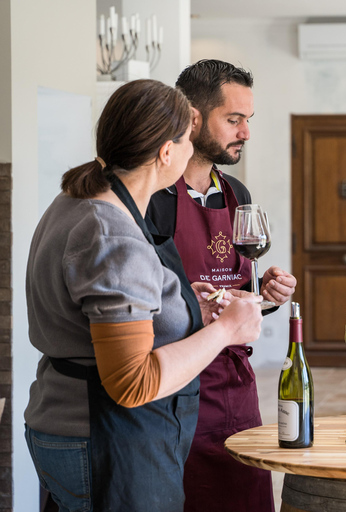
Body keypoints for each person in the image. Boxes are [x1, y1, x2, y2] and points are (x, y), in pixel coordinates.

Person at [24, 79, 263, 511]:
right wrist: (228, 329)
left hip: (61, 424)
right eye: (188, 141)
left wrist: (182, 299)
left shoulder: (75, 200)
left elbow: (102, 301)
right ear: (166, 153)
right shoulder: (113, 232)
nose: (192, 152)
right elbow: (133, 383)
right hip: (107, 440)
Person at [146, 59, 296, 512]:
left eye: (247, 120)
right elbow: (136, 302)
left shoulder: (236, 194)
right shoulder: (151, 196)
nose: (245, 132)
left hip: (237, 384)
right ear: (193, 118)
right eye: (233, 120)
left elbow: (238, 288)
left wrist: (264, 296)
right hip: (180, 383)